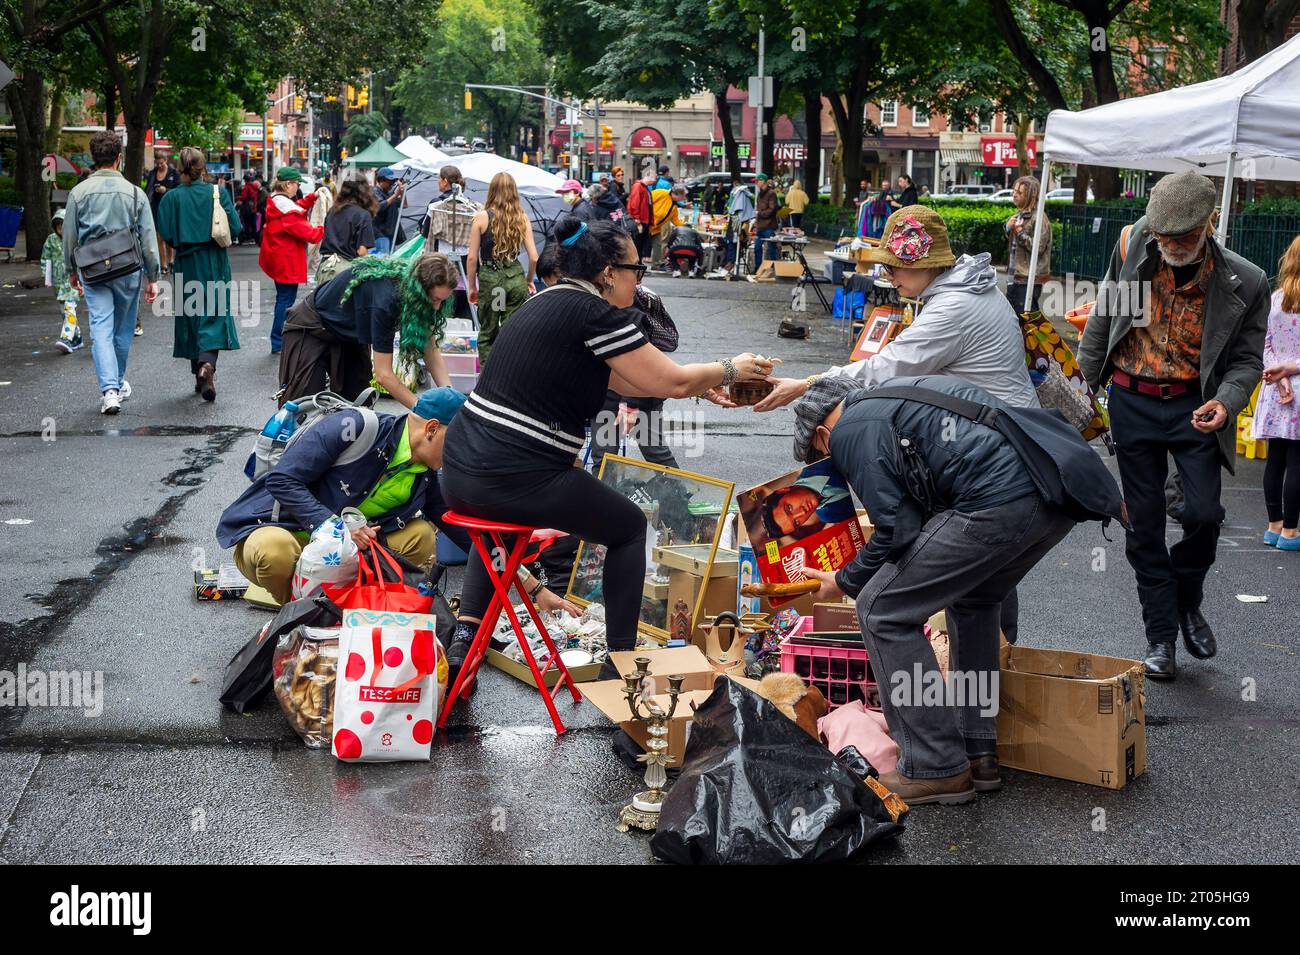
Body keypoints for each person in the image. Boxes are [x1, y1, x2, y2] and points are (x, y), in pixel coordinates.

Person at [438, 214, 772, 681]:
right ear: (609, 272)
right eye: (637, 270)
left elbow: (627, 377)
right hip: (514, 473)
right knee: (630, 527)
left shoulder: (548, 301)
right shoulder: (593, 312)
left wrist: (701, 388)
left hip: (460, 472)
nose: (640, 281)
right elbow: (667, 379)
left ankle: (464, 646)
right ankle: (621, 667)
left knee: (500, 523)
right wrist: (730, 368)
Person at [791, 374, 1121, 803]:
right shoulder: (894, 397)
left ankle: (934, 764)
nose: (829, 464)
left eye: (821, 455)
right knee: (975, 599)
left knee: (881, 609)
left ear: (822, 433)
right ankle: (976, 751)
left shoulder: (850, 429)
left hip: (999, 501)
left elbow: (895, 529)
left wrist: (845, 580)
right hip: (1052, 497)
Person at [1079, 170, 1270, 681]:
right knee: (1143, 525)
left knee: (1205, 516)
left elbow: (1248, 361)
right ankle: (1160, 636)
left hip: (1195, 407)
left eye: (1180, 237)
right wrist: (1084, 397)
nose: (1169, 246)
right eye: (1161, 234)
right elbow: (1102, 324)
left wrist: (1227, 403)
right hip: (1132, 401)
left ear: (1209, 224)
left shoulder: (1246, 281)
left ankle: (1188, 600)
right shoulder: (1136, 247)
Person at [216, 387, 569, 613]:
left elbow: (472, 538)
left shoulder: (426, 474)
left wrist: (532, 587)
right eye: (458, 444)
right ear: (431, 429)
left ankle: (349, 613)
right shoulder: (352, 427)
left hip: (348, 551)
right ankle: (298, 621)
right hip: (285, 528)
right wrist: (337, 528)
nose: (462, 456)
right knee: (272, 552)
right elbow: (282, 479)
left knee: (422, 536)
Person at [758, 206, 1038, 412]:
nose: (888, 276)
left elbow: (887, 368)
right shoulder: (972, 287)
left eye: (892, 267)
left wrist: (808, 384)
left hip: (1006, 437)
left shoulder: (954, 307)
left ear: (922, 264)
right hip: (1009, 421)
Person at [62, 130, 161, 415]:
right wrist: (153, 277)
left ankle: (110, 391)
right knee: (123, 329)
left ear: (94, 159)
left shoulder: (78, 193)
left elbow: (69, 236)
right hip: (127, 269)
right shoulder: (135, 193)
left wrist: (71, 269)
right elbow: (149, 241)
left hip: (93, 270)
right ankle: (116, 383)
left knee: (101, 328)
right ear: (119, 158)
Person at [279, 252, 456, 408]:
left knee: (358, 406)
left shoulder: (419, 297)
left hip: (349, 336)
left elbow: (430, 351)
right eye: (434, 299)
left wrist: (450, 398)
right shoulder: (385, 302)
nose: (436, 307)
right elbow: (383, 375)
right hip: (312, 327)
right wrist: (421, 410)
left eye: (442, 300)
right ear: (418, 290)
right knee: (306, 406)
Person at [155, 146, 242, 402]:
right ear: (203, 168)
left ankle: (199, 374)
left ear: (179, 169)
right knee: (213, 315)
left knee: (191, 315)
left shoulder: (170, 198)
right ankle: (206, 366)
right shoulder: (218, 193)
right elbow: (234, 227)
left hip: (185, 261)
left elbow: (166, 233)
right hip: (213, 261)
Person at [1253, 236, 1300, 550]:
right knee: (1298, 463)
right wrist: (1290, 371)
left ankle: (1274, 526)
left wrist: (1277, 374)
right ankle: (1291, 533)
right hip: (1298, 388)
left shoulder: (1275, 298)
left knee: (1276, 461)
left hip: (1274, 390)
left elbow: (1264, 343)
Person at [466, 171, 538, 363]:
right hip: (515, 278)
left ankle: (489, 381)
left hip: (493, 280)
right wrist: (529, 280)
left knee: (488, 333)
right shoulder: (522, 218)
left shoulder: (481, 217)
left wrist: (472, 287)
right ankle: (510, 375)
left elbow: (472, 258)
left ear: (492, 191)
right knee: (512, 332)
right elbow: (533, 257)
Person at [259, 166, 324, 355]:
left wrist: (311, 199)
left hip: (278, 257)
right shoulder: (287, 211)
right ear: (288, 184)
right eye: (296, 184)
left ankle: (279, 340)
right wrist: (326, 227)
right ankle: (279, 341)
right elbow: (310, 234)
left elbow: (296, 207)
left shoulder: (277, 201)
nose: (297, 187)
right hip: (286, 260)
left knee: (284, 298)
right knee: (285, 300)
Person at [316, 177, 377, 285]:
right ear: (365, 193)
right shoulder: (363, 215)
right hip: (346, 273)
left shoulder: (332, 212)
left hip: (325, 268)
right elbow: (362, 252)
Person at [1004, 175, 1050, 314]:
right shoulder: (1019, 215)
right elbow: (1013, 246)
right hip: (1014, 276)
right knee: (1013, 319)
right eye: (1014, 191)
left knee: (1027, 320)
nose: (1014, 195)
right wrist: (1008, 227)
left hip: (1028, 279)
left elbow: (1039, 248)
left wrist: (1019, 232)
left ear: (1031, 195)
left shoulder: (1039, 218)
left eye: (1019, 192)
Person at [41, 209, 83, 354]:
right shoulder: (51, 240)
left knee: (69, 309)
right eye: (58, 226)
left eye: (64, 226)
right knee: (64, 312)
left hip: (72, 283)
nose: (61, 229)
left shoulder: (75, 239)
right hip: (59, 284)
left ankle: (66, 338)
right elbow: (46, 260)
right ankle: (77, 338)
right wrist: (47, 277)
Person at [145, 152, 180, 276]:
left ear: (166, 161)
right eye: (157, 163)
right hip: (156, 207)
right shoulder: (153, 173)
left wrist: (166, 190)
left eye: (162, 163)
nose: (159, 165)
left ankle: (172, 261)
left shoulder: (173, 173)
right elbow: (148, 189)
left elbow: (179, 190)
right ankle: (164, 264)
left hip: (170, 206)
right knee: (160, 236)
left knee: (169, 235)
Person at [650, 184, 688, 269]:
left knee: (658, 245)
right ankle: (636, 263)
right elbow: (647, 200)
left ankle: (656, 265)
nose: (683, 199)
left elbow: (675, 220)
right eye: (682, 196)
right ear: (676, 194)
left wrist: (685, 227)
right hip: (647, 225)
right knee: (640, 245)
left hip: (656, 228)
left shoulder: (674, 205)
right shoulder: (661, 193)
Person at [626, 164, 656, 262]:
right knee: (638, 244)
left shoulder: (644, 188)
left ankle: (638, 264)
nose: (655, 180)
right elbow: (634, 203)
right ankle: (636, 264)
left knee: (641, 244)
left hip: (644, 220)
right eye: (654, 178)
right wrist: (637, 218)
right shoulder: (639, 186)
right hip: (640, 220)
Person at [371, 167, 405, 254]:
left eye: (393, 182)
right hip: (381, 233)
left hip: (391, 233)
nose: (392, 184)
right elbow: (379, 207)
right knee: (383, 261)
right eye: (390, 182)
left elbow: (404, 205)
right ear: (381, 180)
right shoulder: (374, 191)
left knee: (390, 262)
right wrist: (396, 194)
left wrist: (402, 192)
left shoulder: (389, 193)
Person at [306, 173, 334, 277]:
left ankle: (316, 268)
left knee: (318, 251)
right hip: (319, 229)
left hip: (319, 229)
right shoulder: (318, 200)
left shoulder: (331, 187)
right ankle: (316, 268)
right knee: (318, 251)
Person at [751, 174, 779, 271]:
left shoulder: (771, 193)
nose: (756, 183)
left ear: (763, 181)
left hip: (769, 226)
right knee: (757, 248)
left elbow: (772, 209)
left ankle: (774, 269)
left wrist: (760, 213)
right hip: (761, 226)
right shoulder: (760, 193)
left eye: (757, 181)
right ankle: (758, 268)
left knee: (771, 249)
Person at [238, 172, 260, 245]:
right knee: (253, 224)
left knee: (246, 223)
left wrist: (238, 198)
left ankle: (247, 238)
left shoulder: (247, 187)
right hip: (254, 207)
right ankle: (254, 238)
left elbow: (244, 197)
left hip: (247, 208)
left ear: (245, 180)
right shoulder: (255, 187)